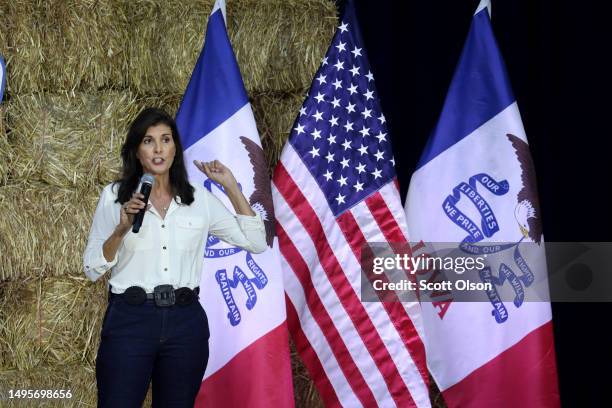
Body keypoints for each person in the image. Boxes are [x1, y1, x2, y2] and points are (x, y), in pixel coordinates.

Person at [83, 108, 267, 407]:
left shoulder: (198, 199)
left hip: (185, 322)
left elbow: (256, 242)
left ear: (175, 148)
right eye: (148, 141)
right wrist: (121, 230)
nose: (158, 149)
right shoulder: (114, 196)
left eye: (165, 140)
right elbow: (92, 267)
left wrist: (231, 187)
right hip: (131, 320)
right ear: (136, 151)